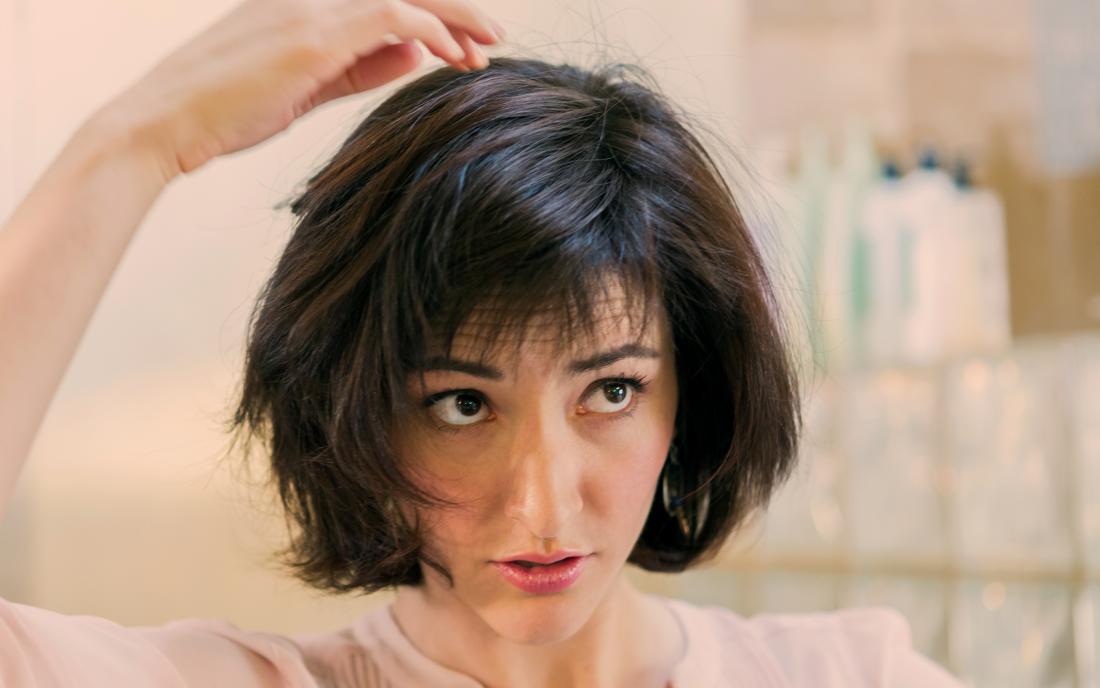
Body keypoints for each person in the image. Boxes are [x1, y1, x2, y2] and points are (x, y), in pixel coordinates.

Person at [0, 0, 965, 685]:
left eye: (612, 391)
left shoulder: (852, 674)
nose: (544, 502)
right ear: (359, 414)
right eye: (463, 404)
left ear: (694, 389)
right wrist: (135, 139)